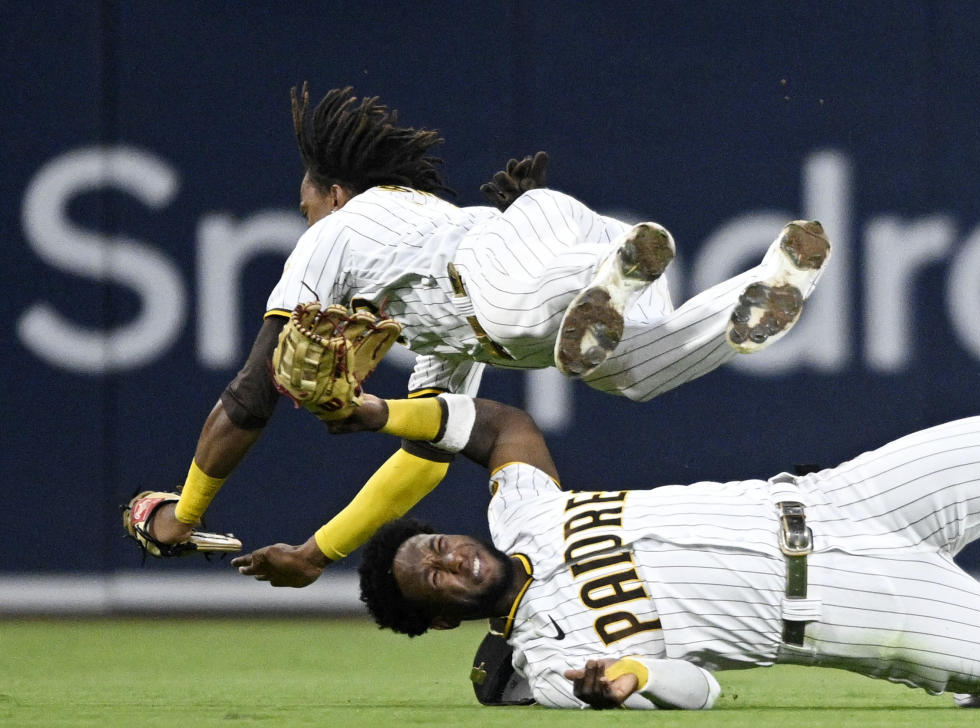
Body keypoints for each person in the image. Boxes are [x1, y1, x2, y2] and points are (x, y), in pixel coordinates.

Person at [135, 83, 830, 585]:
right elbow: (430, 449)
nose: (306, 220)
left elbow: (250, 393)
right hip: (556, 247)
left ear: (334, 194)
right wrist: (317, 553)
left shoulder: (342, 231)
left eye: (306, 206)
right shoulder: (412, 283)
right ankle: (754, 289)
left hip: (519, 261)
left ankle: (612, 274)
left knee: (510, 313)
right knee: (634, 373)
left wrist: (184, 511)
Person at [274, 391, 980, 709]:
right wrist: (627, 682)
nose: (446, 559)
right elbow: (699, 690)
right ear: (438, 617)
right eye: (429, 578)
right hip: (843, 611)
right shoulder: (551, 658)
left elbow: (502, 422)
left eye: (433, 542)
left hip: (835, 498)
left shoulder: (523, 516)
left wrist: (376, 414)